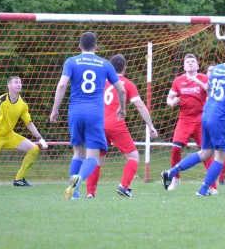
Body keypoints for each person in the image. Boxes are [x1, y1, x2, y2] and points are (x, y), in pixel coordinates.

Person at [161, 44, 225, 196]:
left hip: (206, 113)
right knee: (220, 157)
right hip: (220, 118)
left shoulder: (217, 69)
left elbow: (208, 88)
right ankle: (203, 190)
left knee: (205, 153)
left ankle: (171, 173)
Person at [49, 32, 126, 200]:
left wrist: (55, 109)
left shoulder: (71, 61)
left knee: (78, 153)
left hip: (75, 112)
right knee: (93, 156)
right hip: (95, 113)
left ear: (79, 46)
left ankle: (74, 194)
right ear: (96, 46)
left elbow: (62, 85)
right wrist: (122, 108)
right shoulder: (105, 64)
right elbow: (121, 89)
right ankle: (80, 179)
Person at [81, 54, 158, 199]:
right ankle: (124, 186)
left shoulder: (99, 82)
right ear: (124, 68)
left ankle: (90, 193)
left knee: (97, 160)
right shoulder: (127, 84)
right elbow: (140, 106)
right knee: (133, 156)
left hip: (97, 123)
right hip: (115, 124)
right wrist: (151, 126)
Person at [166, 54, 216, 192]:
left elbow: (210, 90)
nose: (190, 63)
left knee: (206, 152)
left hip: (201, 119)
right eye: (187, 61)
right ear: (183, 66)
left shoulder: (204, 78)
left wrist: (196, 81)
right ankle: (175, 178)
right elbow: (169, 99)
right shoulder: (178, 80)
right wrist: (173, 102)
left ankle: (212, 185)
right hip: (184, 119)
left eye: (193, 61)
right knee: (175, 148)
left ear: (198, 66)